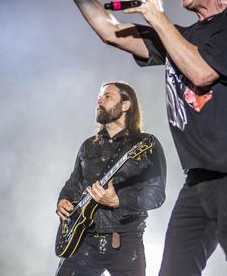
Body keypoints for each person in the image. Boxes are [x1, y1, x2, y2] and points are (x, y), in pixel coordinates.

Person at [40, 0, 227, 276]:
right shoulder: (178, 36)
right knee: (174, 269)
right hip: (199, 178)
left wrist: (159, 17)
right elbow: (110, 31)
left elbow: (201, 72)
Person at [55, 81, 167, 276]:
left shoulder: (145, 144)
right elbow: (74, 182)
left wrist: (119, 201)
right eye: (99, 96)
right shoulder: (88, 145)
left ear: (125, 105)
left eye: (107, 96)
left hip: (125, 242)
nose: (99, 100)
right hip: (83, 239)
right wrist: (63, 199)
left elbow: (157, 195)